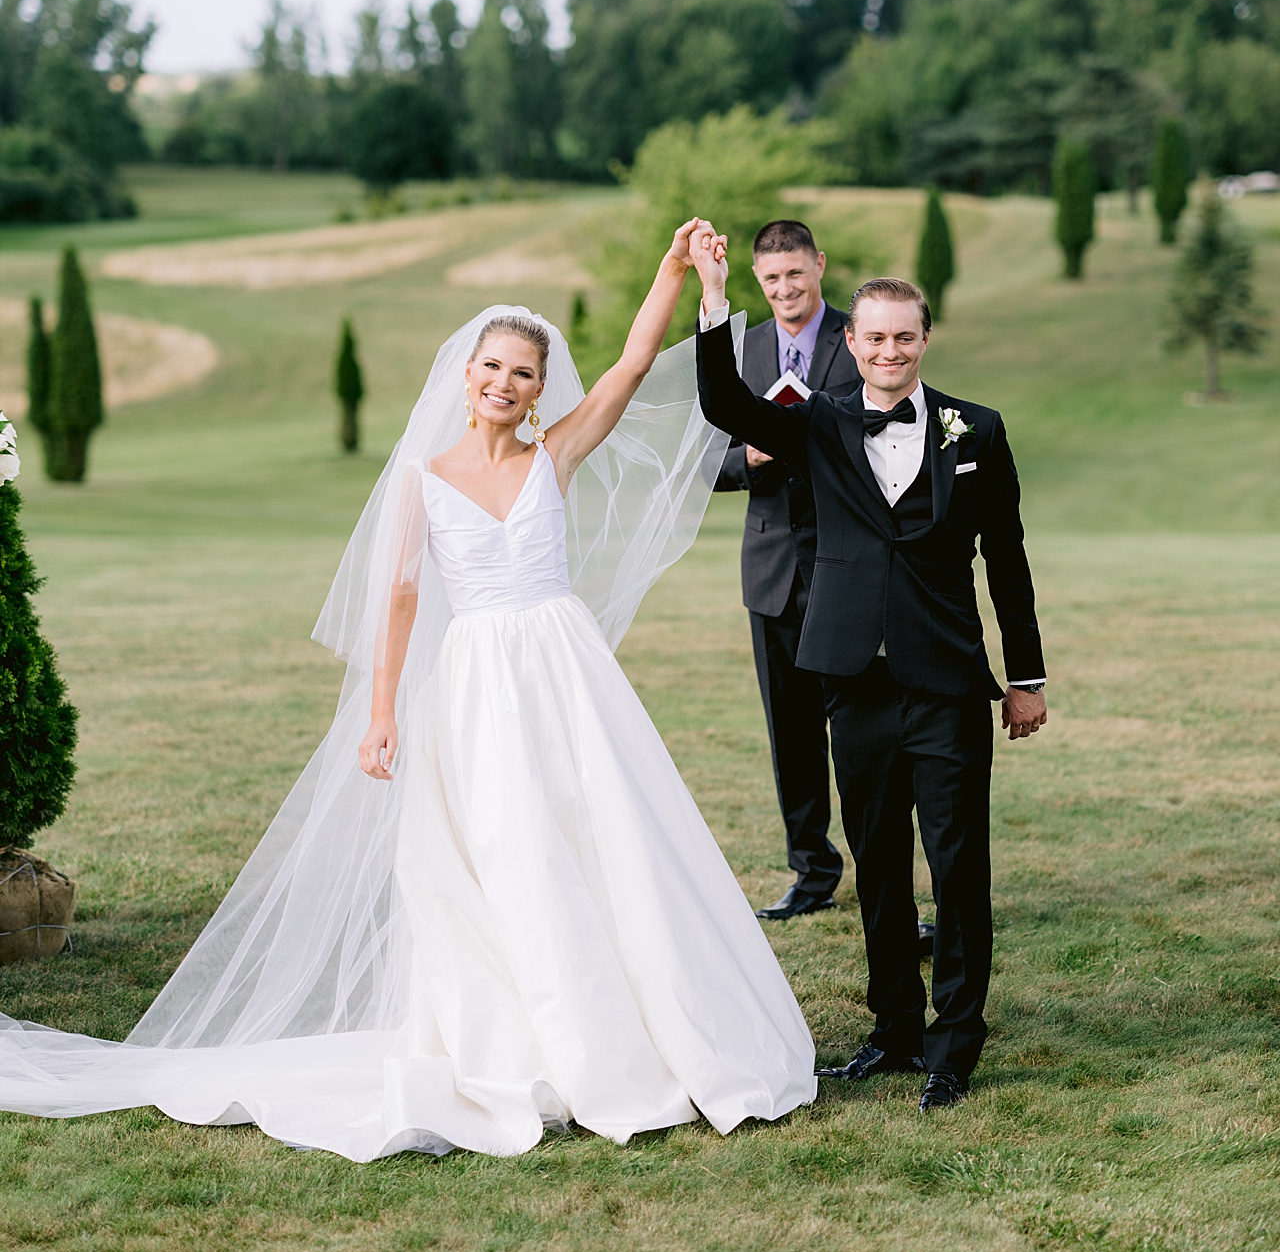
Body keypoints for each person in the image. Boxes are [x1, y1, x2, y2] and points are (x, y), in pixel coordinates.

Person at [0, 221, 815, 1161]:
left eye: (522, 373)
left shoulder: (556, 456)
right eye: (491, 367)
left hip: (566, 671)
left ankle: (636, 1029)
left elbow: (634, 365)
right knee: (507, 854)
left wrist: (675, 272)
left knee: (605, 840)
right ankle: (524, 1041)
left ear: (541, 389)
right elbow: (398, 596)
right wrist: (382, 711)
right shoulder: (423, 481)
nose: (504, 384)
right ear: (465, 374)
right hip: (473, 687)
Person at [692, 238, 1047, 1114]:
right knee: (880, 863)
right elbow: (723, 401)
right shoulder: (818, 422)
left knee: (958, 866)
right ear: (852, 345)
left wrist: (1026, 676)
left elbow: (1007, 556)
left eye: (905, 338)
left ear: (925, 340)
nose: (889, 351)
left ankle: (954, 1041)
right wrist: (712, 294)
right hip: (852, 680)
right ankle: (893, 1029)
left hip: (948, 684)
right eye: (876, 339)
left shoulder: (978, 429)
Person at [713, 220, 861, 920]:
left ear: (818, 266)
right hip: (771, 571)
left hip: (848, 566)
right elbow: (705, 460)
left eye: (795, 275)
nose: (784, 290)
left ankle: (881, 871)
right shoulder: (739, 352)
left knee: (864, 732)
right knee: (791, 734)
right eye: (771, 280)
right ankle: (812, 871)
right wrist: (749, 459)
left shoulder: (863, 335)